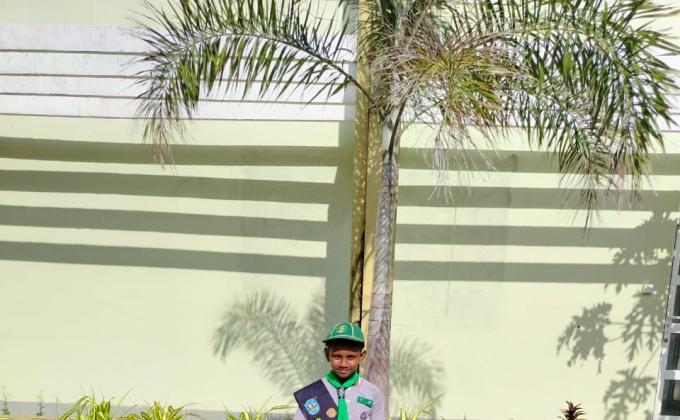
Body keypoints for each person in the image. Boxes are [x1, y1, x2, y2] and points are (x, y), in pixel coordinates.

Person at [293, 322, 385, 420]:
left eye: (350, 358)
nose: (343, 364)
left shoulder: (373, 393)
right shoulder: (312, 394)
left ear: (361, 356)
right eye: (337, 357)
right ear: (327, 354)